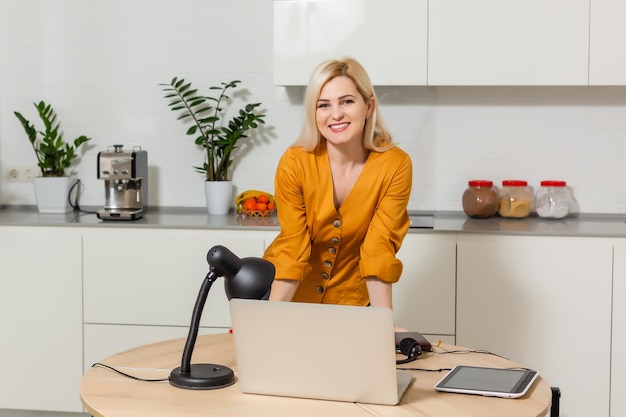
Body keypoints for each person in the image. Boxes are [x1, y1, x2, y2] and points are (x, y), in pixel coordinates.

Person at [263, 57, 412, 312]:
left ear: (368, 106)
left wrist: (382, 323)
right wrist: (269, 318)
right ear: (314, 112)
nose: (336, 114)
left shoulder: (394, 165)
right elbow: (293, 246)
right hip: (291, 298)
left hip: (352, 302)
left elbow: (378, 249)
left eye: (347, 101)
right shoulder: (295, 162)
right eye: (323, 105)